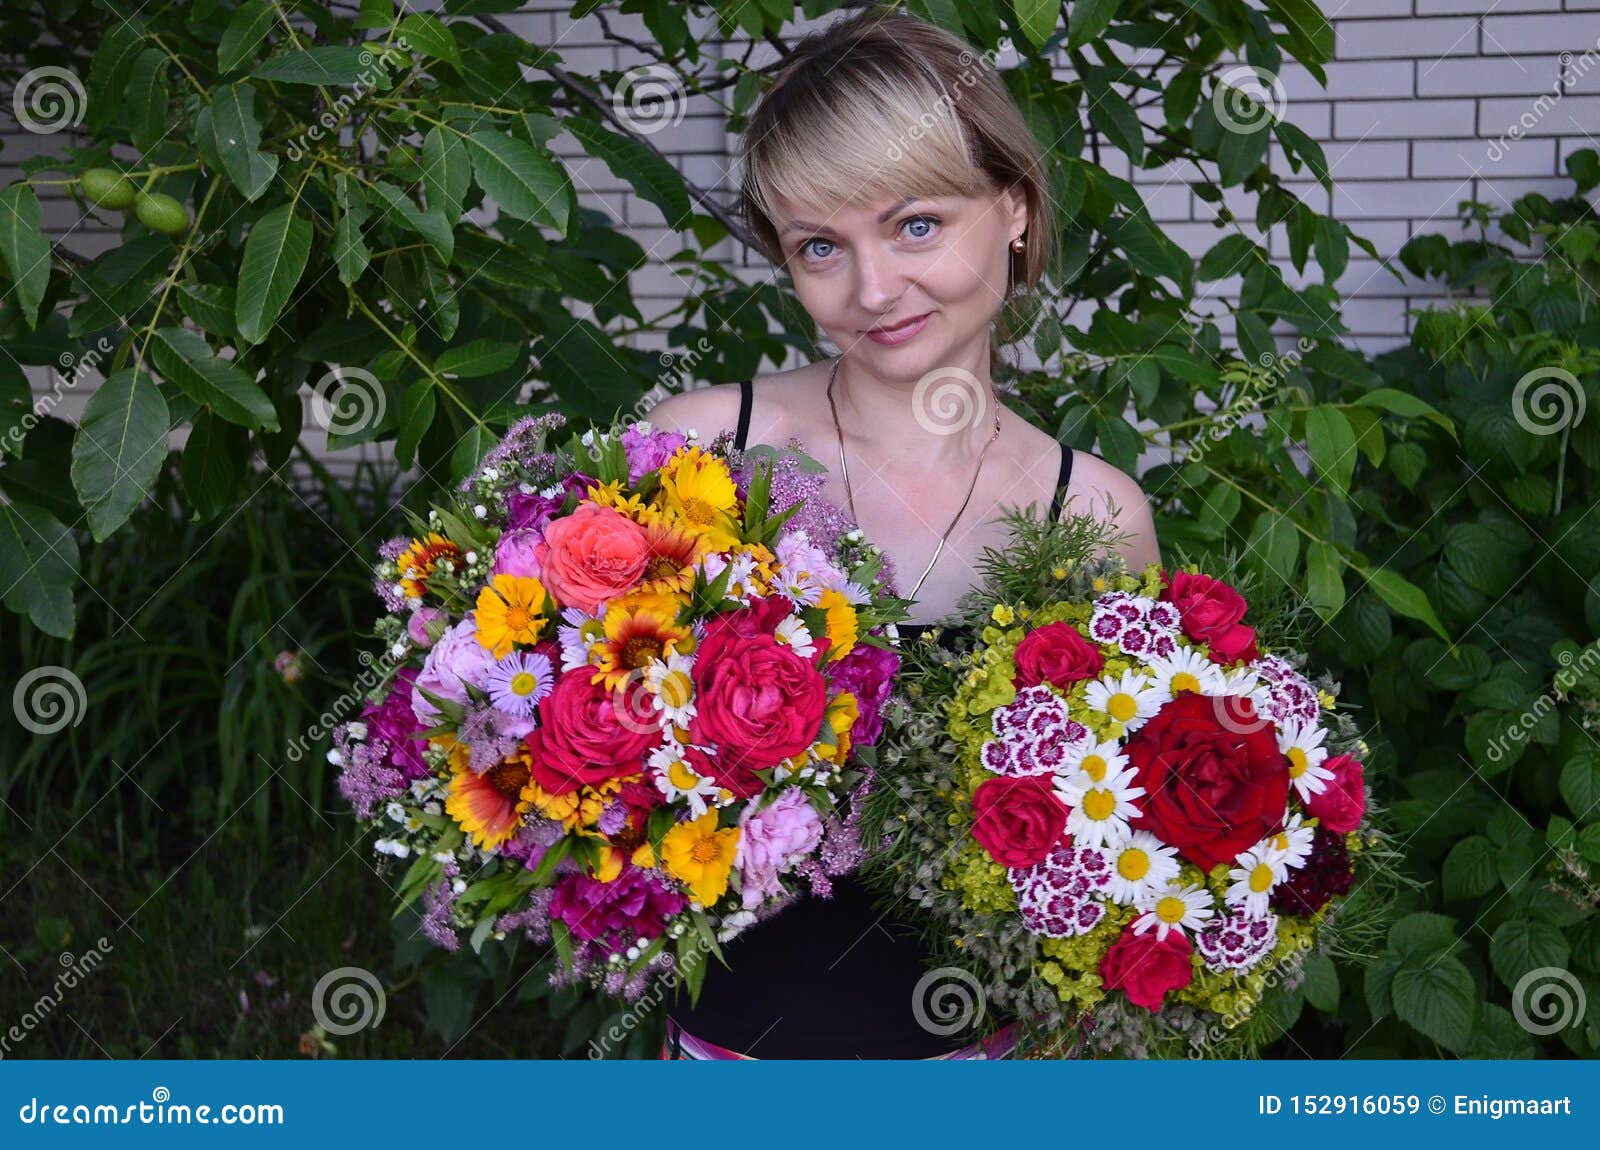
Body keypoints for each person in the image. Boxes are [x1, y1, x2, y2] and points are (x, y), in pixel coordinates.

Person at [646, 6, 1161, 1059]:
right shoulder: (699, 455)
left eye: (915, 223)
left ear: (1012, 209)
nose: (872, 290)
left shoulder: (1099, 517)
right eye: (820, 245)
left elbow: (1121, 858)